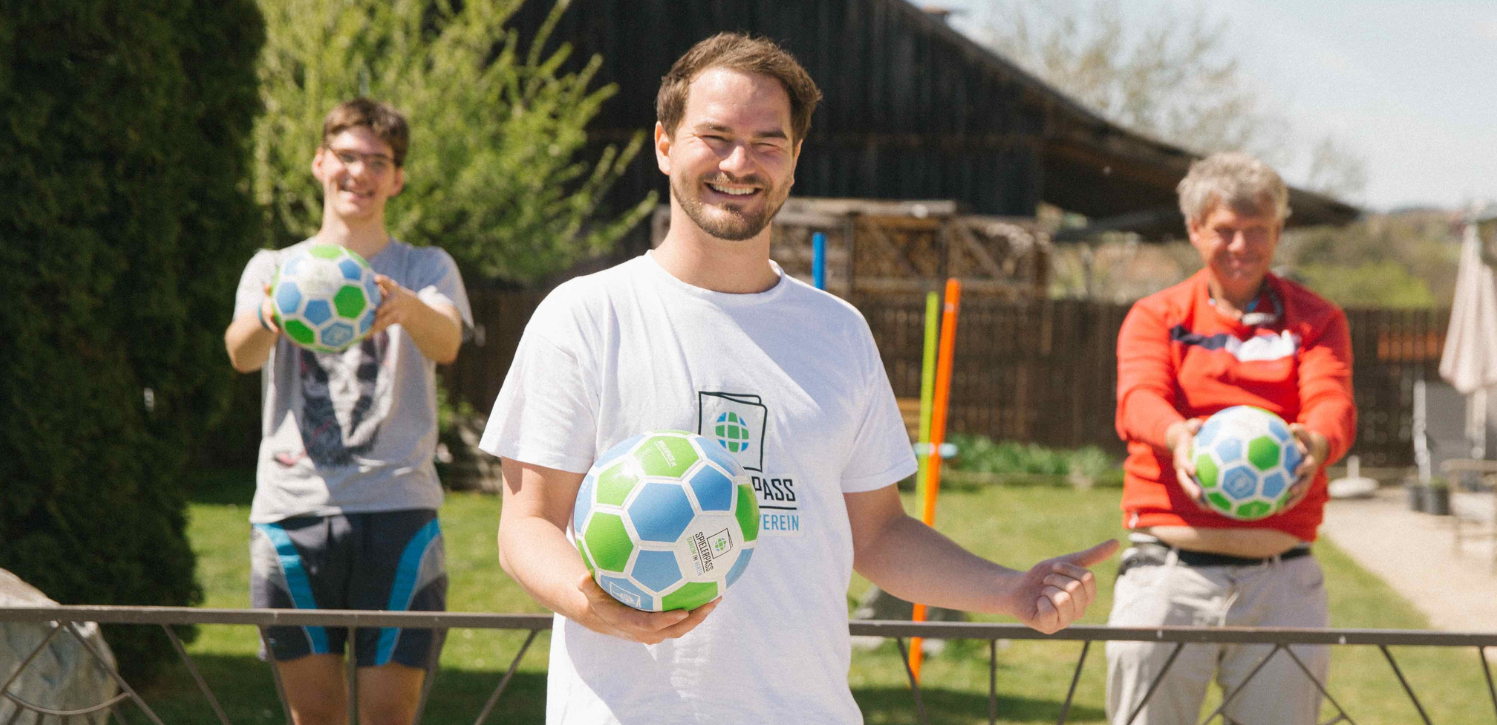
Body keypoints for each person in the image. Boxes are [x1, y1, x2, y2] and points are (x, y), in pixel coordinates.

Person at [477, 32, 1115, 724]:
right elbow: (526, 523)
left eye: (766, 141)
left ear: (794, 160)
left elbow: (878, 533)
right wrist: (591, 601)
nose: (738, 162)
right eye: (714, 135)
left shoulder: (838, 333)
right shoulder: (586, 317)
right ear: (664, 144)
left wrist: (1012, 590)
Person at [223, 98, 474, 725]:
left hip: (398, 511)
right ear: (319, 162)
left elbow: (446, 343)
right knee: (315, 718)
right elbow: (240, 354)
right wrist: (273, 314)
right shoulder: (273, 267)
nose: (359, 173)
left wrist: (406, 306)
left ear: (397, 178)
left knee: (391, 716)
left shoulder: (425, 267)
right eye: (347, 157)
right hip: (292, 511)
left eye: (377, 162)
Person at [1105, 152, 1356, 724]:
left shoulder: (1316, 320)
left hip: (1282, 581)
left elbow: (1331, 401)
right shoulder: (1156, 315)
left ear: (1279, 230)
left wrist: (1314, 446)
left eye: (1258, 231)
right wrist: (1178, 437)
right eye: (1225, 231)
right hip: (1167, 576)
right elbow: (1138, 398)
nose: (1242, 247)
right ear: (1195, 231)